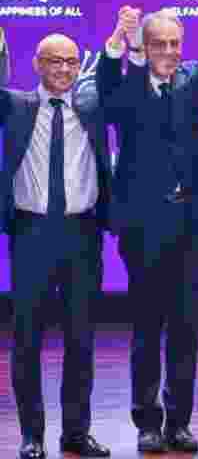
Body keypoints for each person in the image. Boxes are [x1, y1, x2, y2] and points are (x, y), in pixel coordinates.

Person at [96, 6, 198, 453]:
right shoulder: (126, 86)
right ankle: (147, 422)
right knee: (147, 327)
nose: (169, 52)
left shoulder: (192, 77)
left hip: (192, 224)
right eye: (159, 45)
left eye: (174, 44)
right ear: (144, 49)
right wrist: (115, 44)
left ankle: (179, 422)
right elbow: (106, 91)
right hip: (143, 227)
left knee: (186, 327)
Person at [2, 32, 113, 459]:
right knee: (27, 339)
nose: (64, 69)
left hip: (82, 235)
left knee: (80, 340)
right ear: (37, 64)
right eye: (54, 61)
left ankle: (76, 433)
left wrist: (121, 44)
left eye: (70, 61)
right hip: (31, 234)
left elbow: (117, 84)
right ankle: (32, 435)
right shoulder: (15, 105)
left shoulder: (91, 106)